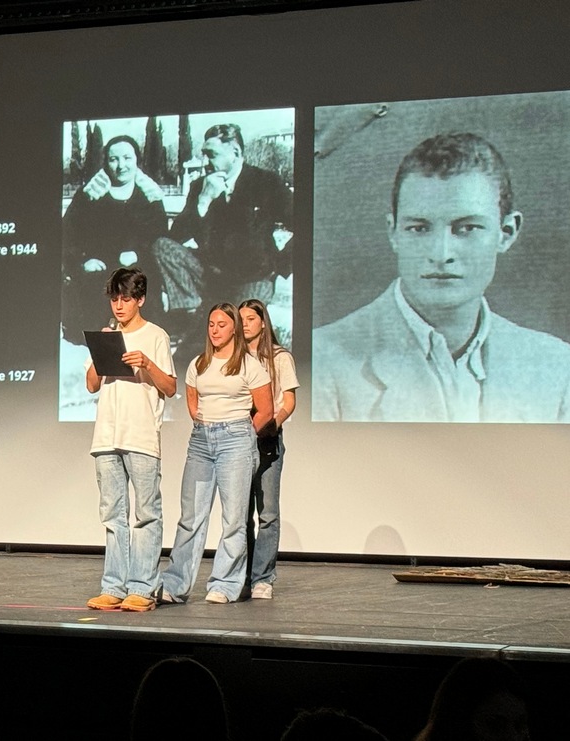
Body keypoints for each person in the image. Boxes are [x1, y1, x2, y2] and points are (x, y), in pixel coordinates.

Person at [314, 132, 570, 422]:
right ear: (393, 233)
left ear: (507, 233)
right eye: (419, 228)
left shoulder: (557, 366)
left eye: (467, 228)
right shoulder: (319, 362)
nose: (441, 253)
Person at [159, 303, 272, 604]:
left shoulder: (250, 365)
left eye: (222, 324)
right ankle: (175, 584)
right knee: (191, 517)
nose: (215, 329)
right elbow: (193, 402)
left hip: (235, 440)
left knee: (234, 518)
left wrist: (243, 432)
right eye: (211, 324)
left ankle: (224, 584)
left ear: (233, 327)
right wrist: (206, 425)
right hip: (201, 441)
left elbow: (266, 409)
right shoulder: (198, 363)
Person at [85, 267, 176, 612]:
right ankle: (114, 586)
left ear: (140, 299)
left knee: (145, 513)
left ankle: (142, 587)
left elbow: (169, 387)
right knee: (112, 514)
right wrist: (101, 351)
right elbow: (92, 385)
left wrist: (147, 364)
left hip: (140, 435)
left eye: (125, 298)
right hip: (107, 433)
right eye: (114, 298)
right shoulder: (108, 334)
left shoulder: (156, 335)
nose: (119, 305)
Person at [155, 123, 293, 318]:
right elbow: (175, 237)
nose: (205, 162)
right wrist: (204, 200)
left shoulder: (266, 182)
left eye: (211, 154)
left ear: (235, 152)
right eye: (204, 154)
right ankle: (190, 311)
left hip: (253, 277)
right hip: (210, 274)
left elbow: (306, 224)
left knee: (238, 330)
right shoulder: (200, 187)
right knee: (162, 246)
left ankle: (208, 318)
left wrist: (279, 266)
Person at [62, 135, 168, 344]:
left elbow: (159, 236)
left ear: (137, 160)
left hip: (140, 267)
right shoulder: (89, 197)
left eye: (127, 158)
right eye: (114, 159)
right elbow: (68, 234)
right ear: (106, 162)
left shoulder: (150, 196)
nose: (121, 166)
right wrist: (83, 261)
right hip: (100, 268)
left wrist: (138, 252)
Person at [240, 299, 298, 600]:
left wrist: (272, 422)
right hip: (235, 441)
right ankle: (242, 575)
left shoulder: (279, 358)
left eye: (251, 318)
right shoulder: (232, 359)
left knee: (268, 513)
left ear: (263, 322)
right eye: (241, 319)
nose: (245, 324)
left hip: (266, 439)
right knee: (239, 515)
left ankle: (263, 577)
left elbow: (288, 401)